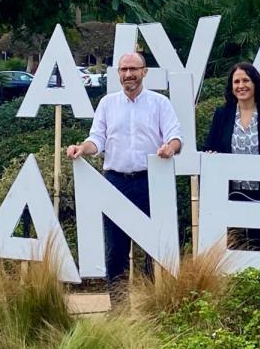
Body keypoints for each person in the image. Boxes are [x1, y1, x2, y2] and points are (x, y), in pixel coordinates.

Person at [66, 52, 182, 305]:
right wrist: (82, 148)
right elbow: (96, 139)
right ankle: (119, 308)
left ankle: (154, 304)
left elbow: (175, 137)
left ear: (145, 71)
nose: (128, 74)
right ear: (118, 73)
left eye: (133, 69)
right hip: (115, 182)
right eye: (123, 69)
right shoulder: (107, 103)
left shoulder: (160, 103)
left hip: (150, 182)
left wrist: (170, 148)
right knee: (116, 248)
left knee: (154, 249)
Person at [202, 62, 260, 254]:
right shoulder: (222, 115)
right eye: (236, 81)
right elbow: (209, 147)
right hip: (231, 194)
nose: (241, 85)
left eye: (246, 80)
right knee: (235, 251)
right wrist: (211, 157)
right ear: (231, 87)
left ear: (255, 83)